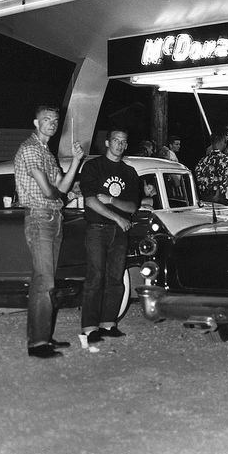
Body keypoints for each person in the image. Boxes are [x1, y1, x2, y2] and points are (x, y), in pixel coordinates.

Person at [13, 104, 85, 359]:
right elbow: (50, 190)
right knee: (45, 281)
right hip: (40, 217)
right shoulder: (31, 149)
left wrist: (76, 161)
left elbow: (63, 185)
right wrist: (61, 195)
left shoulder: (48, 153)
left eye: (55, 120)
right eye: (46, 119)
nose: (52, 123)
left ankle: (41, 337)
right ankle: (38, 344)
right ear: (36, 123)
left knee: (43, 280)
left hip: (53, 218)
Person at [79, 128, 139, 344]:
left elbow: (132, 206)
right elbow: (90, 200)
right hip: (97, 229)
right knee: (95, 277)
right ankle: (89, 328)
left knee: (115, 279)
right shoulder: (93, 166)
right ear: (107, 143)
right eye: (116, 140)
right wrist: (117, 218)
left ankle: (108, 324)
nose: (120, 145)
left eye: (124, 142)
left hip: (120, 233)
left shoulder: (130, 173)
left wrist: (112, 201)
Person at [194, 133, 228, 202]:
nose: (225, 145)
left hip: (204, 193)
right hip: (217, 194)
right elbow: (223, 178)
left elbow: (197, 173)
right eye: (224, 142)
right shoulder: (224, 158)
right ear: (221, 142)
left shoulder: (204, 159)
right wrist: (218, 194)